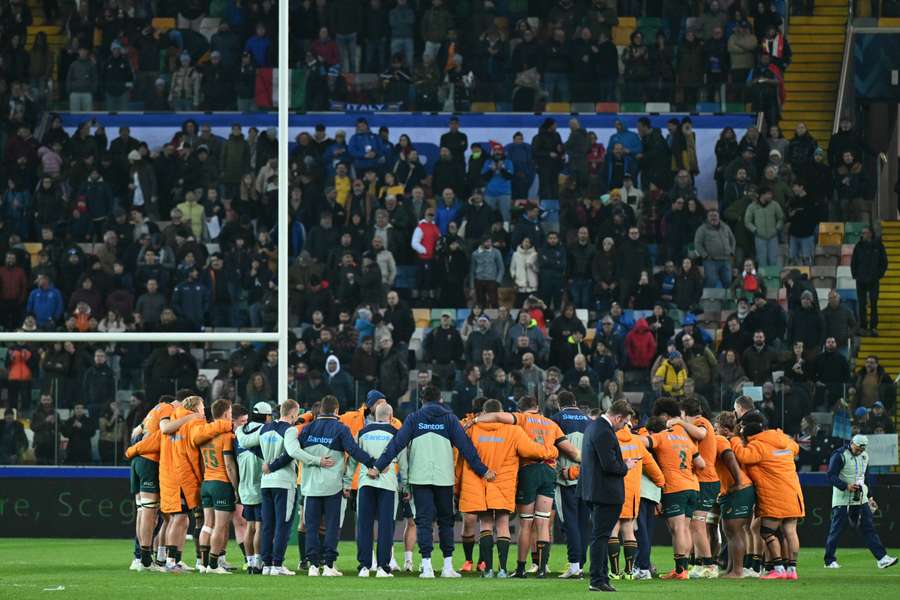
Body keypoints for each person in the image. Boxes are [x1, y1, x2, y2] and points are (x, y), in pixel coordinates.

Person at [370, 385, 495, 578]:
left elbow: (396, 444)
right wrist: (483, 470)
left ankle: (426, 566)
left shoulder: (414, 419)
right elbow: (466, 448)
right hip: (444, 478)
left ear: (422, 401)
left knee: (424, 521)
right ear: (441, 400)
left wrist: (378, 466)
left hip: (420, 478)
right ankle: (447, 567)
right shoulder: (450, 419)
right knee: (446, 521)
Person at [472, 395, 581, 578]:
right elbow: (571, 451)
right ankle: (541, 569)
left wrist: (475, 420)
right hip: (548, 472)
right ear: (537, 407)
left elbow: (498, 416)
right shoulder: (551, 424)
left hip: (528, 471)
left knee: (526, 523)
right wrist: (584, 463)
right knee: (543, 522)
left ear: (521, 409)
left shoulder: (521, 418)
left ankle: (521, 568)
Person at [460, 398, 558, 578]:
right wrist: (553, 451)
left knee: (486, 524)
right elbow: (532, 451)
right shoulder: (513, 430)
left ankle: (487, 570)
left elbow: (461, 453)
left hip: (479, 483)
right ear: (502, 412)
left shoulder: (473, 430)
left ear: (484, 413)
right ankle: (503, 569)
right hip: (503, 484)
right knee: (503, 524)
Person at [730, 413, 804, 580]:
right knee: (790, 531)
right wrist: (781, 435)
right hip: (793, 492)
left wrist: (734, 439)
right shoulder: (784, 441)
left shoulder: (758, 446)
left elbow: (743, 455)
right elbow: (796, 448)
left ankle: (778, 569)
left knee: (767, 532)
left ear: (749, 436)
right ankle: (792, 570)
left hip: (775, 495)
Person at [640, 398, 705, 580]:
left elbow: (643, 442)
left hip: (675, 488)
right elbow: (701, 464)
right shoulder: (686, 437)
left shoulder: (661, 436)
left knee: (678, 529)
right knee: (685, 528)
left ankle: (680, 570)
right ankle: (684, 568)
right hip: (693, 486)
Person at [579, 400, 637, 592]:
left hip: (593, 490)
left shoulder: (593, 427)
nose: (625, 426)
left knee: (600, 536)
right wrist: (626, 466)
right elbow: (610, 465)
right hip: (605, 493)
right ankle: (597, 579)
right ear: (617, 417)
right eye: (624, 422)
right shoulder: (604, 431)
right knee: (600, 536)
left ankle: (601, 577)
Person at [344, 402, 406, 578]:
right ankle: (383, 567)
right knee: (386, 526)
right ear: (391, 416)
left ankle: (364, 566)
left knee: (364, 525)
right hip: (387, 485)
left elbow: (354, 458)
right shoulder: (396, 434)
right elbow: (403, 462)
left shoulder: (362, 433)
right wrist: (406, 485)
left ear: (374, 415)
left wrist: (347, 482)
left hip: (366, 483)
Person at [824, 434, 898, 570]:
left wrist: (870, 497)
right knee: (836, 530)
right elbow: (831, 475)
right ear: (851, 443)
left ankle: (882, 558)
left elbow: (865, 477)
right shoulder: (839, 455)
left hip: (861, 499)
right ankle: (829, 560)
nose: (859, 452)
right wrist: (846, 486)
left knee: (868, 528)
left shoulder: (865, 456)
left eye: (861, 450)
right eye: (857, 449)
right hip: (843, 499)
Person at [609, 410, 664, 581]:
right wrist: (661, 482)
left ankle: (615, 572)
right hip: (633, 493)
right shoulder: (637, 442)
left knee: (613, 529)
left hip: (614, 489)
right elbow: (651, 465)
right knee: (629, 530)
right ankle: (630, 571)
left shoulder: (611, 440)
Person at [550, 391, 592, 579]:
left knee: (570, 522)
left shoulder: (556, 419)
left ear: (559, 404)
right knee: (584, 522)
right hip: (587, 479)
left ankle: (574, 565)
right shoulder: (589, 421)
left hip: (565, 478)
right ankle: (581, 564)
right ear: (575, 402)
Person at [196, 399, 238, 575]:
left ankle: (203, 563)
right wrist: (236, 488)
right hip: (221, 483)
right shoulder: (227, 436)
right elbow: (229, 465)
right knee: (220, 526)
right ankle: (214, 564)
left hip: (207, 483)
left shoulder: (205, 435)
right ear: (227, 413)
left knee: (207, 524)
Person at [714, 411, 756, 578]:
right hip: (735, 489)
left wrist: (738, 483)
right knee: (730, 532)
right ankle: (732, 569)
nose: (715, 432)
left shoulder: (726, 440)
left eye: (717, 428)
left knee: (735, 531)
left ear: (725, 429)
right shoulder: (735, 440)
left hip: (739, 489)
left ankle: (737, 571)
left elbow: (730, 458)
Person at [235, 402, 272, 574]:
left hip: (244, 486)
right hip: (260, 484)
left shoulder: (239, 432)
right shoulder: (265, 432)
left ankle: (249, 562)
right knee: (260, 526)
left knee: (249, 526)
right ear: (266, 416)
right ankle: (258, 561)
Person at [851, 227, 888, 336]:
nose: (863, 235)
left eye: (865, 233)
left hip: (873, 279)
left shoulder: (878, 246)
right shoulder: (858, 246)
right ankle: (862, 327)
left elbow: (884, 262)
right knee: (862, 304)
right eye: (862, 233)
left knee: (874, 304)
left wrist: (879, 275)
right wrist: (855, 275)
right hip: (860, 280)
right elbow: (854, 262)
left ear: (871, 233)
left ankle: (873, 327)